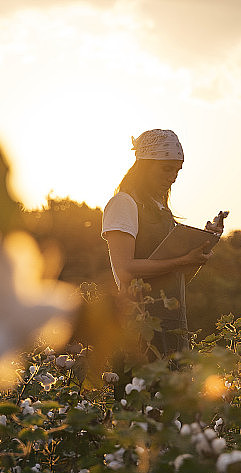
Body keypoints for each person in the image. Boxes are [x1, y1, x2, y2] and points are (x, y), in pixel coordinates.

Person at [101, 129, 213, 358]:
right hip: (139, 326)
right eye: (166, 168)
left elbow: (176, 276)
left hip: (172, 325)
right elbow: (124, 270)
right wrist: (182, 260)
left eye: (177, 170)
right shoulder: (124, 204)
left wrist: (201, 250)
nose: (173, 176)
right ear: (144, 166)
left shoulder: (162, 210)